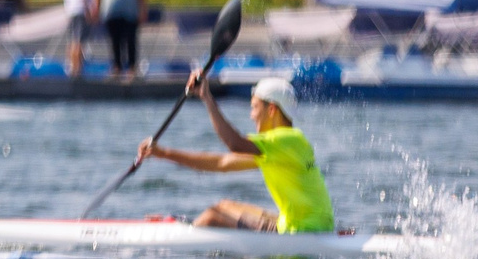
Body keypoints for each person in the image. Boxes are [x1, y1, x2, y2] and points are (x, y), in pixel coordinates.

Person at [138, 74, 335, 233]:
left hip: (304, 231)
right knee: (223, 206)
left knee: (212, 217)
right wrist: (164, 153)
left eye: (254, 107)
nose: (251, 115)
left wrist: (207, 97)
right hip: (311, 223)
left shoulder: (285, 139)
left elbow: (234, 143)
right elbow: (222, 163)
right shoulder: (285, 145)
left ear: (272, 109)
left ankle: (181, 238)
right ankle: (189, 228)